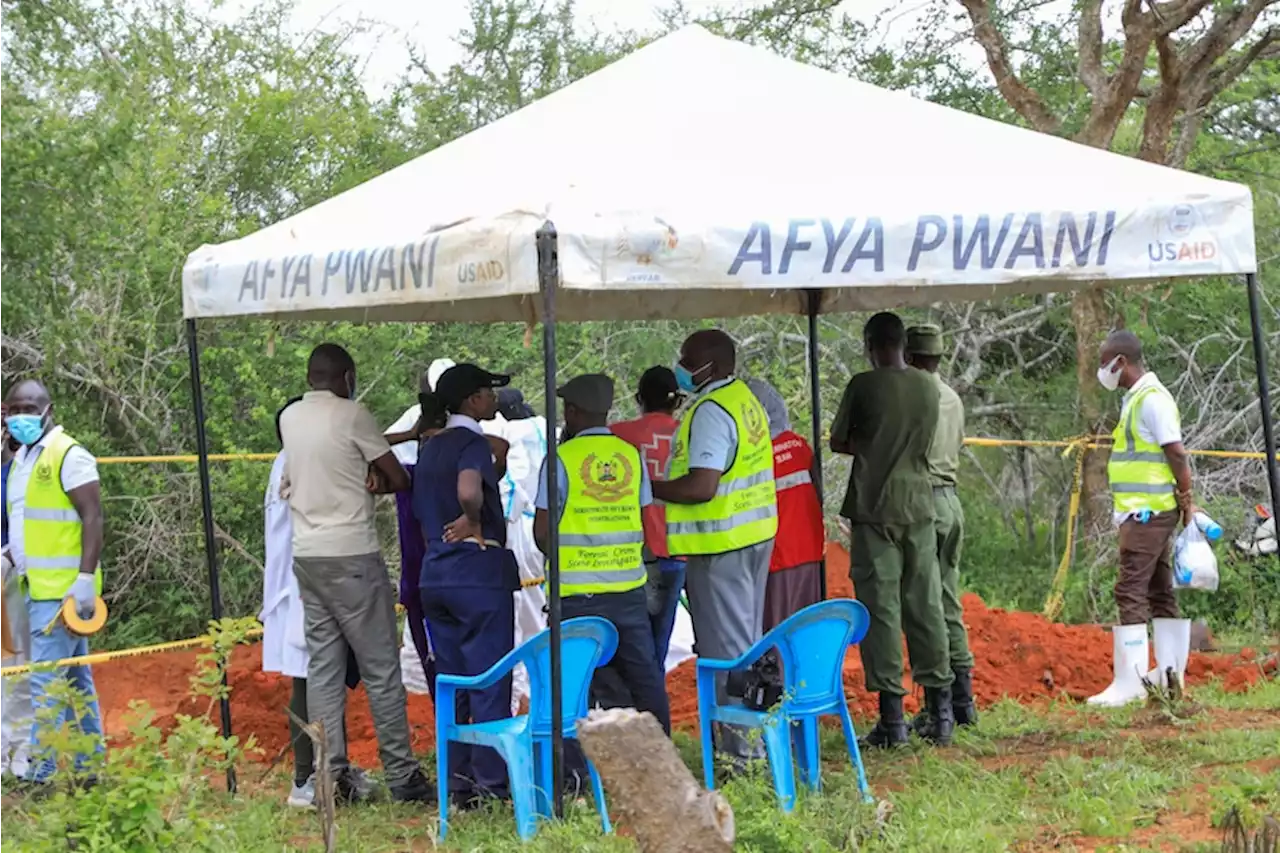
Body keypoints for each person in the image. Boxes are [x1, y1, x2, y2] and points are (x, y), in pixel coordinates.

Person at [278, 344, 432, 804]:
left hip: (308, 556)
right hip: (352, 554)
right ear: (346, 377)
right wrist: (378, 478)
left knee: (323, 669)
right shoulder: (353, 414)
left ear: (310, 377)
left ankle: (330, 776)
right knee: (381, 667)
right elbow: (397, 478)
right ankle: (403, 776)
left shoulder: (290, 419)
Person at [652, 330, 776, 769]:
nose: (682, 367)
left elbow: (702, 485)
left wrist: (649, 487)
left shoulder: (710, 411)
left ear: (713, 365)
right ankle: (753, 747)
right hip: (752, 537)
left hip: (720, 543)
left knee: (727, 654)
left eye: (688, 359)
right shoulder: (744, 399)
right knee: (743, 643)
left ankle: (744, 758)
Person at [830, 313, 954, 748]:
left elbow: (838, 440)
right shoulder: (927, 385)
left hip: (874, 506)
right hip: (920, 504)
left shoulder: (863, 386)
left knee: (881, 607)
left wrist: (871, 442)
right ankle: (941, 712)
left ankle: (893, 720)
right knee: (925, 602)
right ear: (903, 343)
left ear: (870, 345)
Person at [533, 374, 670, 737]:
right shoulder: (630, 456)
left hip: (578, 596)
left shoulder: (560, 459)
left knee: (580, 683)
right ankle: (661, 754)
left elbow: (542, 533)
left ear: (573, 411)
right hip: (628, 590)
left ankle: (582, 772)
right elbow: (642, 518)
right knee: (643, 676)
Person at [416, 363, 519, 809]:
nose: (494, 400)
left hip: (434, 575)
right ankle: (491, 785)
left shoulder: (429, 447)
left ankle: (458, 788)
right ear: (472, 401)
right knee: (490, 680)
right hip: (476, 575)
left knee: (454, 682)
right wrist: (474, 519)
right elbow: (467, 487)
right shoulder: (470, 443)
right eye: (488, 393)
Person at [263, 397, 369, 808]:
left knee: (315, 677)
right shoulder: (299, 462)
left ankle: (329, 773)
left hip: (301, 582)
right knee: (310, 679)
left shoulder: (288, 460)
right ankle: (308, 780)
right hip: (305, 583)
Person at [3, 379, 105, 787]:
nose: (21, 416)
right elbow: (29, 524)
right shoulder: (24, 459)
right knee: (77, 682)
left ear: (49, 410)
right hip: (36, 588)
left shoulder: (69, 455)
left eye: (29, 407)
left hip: (62, 593)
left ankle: (40, 775)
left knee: (46, 684)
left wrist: (84, 579)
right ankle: (89, 769)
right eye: (14, 410)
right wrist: (9, 555)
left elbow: (93, 518)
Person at [1089, 330, 1195, 707]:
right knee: (1159, 589)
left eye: (1105, 363)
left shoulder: (1152, 401)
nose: (1102, 370)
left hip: (1147, 512)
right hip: (1144, 510)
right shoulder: (1137, 399)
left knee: (1130, 588)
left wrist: (1188, 501)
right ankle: (1170, 676)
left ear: (1122, 362)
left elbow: (1177, 455)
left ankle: (1130, 683)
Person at [904, 325, 978, 730]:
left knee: (923, 607)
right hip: (950, 500)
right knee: (948, 600)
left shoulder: (913, 396)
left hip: (922, 502)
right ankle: (964, 703)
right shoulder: (952, 396)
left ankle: (939, 708)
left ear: (908, 355)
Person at [610, 367, 687, 663]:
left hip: (627, 553)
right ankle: (651, 702)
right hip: (675, 550)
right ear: (677, 401)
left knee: (624, 645)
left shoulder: (617, 434)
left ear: (638, 398)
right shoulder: (688, 433)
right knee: (657, 645)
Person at [744, 380, 824, 632]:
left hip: (776, 557)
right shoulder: (800, 445)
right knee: (807, 629)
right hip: (810, 553)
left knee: (777, 633)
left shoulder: (756, 457)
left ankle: (779, 673)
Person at [0, 425, 31, 781]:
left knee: (17, 664)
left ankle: (21, 752)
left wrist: (9, 554)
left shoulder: (21, 470)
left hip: (13, 572)